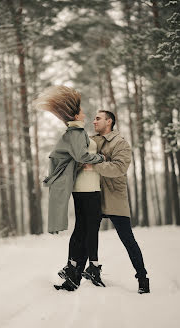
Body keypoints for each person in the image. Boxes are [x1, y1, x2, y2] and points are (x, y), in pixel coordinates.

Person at [34, 86, 106, 291]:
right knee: (87, 229)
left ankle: (72, 272)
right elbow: (81, 156)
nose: (85, 112)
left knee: (83, 229)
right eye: (81, 110)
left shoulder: (77, 131)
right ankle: (81, 267)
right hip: (86, 188)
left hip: (85, 187)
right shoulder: (76, 131)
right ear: (75, 115)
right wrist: (100, 157)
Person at [90, 110, 150, 294]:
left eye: (98, 118)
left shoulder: (121, 143)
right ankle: (93, 271)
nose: (94, 122)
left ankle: (142, 278)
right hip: (95, 194)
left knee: (127, 239)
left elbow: (119, 168)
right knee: (90, 235)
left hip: (115, 196)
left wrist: (95, 164)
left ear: (109, 121)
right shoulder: (91, 142)